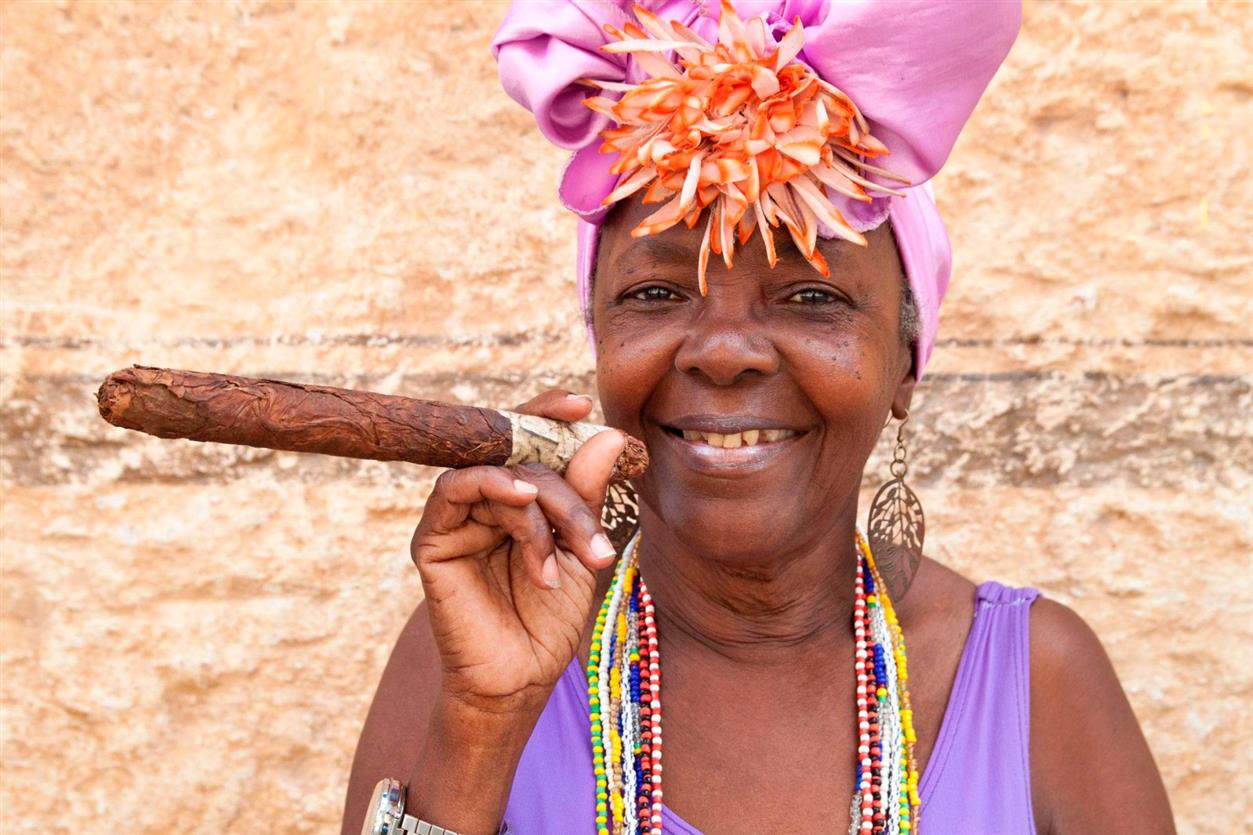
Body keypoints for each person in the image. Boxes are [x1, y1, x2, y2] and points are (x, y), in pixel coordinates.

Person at [343, 1, 1174, 832]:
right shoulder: (475, 652)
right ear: (600, 344)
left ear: (903, 364)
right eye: (656, 292)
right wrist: (485, 724)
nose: (724, 350)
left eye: (813, 294)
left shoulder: (1037, 684)